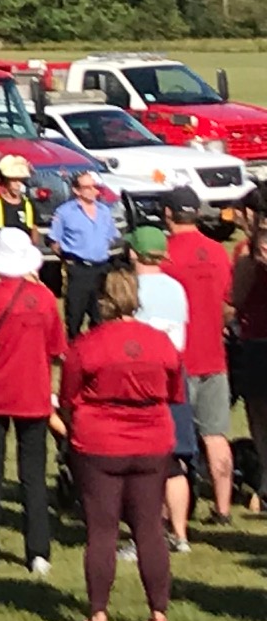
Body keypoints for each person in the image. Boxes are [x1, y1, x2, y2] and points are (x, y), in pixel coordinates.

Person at [61, 267, 184, 621]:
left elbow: (68, 396)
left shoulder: (88, 344)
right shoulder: (161, 343)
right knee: (149, 528)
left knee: (102, 530)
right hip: (152, 440)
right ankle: (159, 613)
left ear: (103, 302)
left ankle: (99, 614)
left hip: (100, 441)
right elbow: (175, 391)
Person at [0, 227, 65, 577]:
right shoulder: (44, 299)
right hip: (34, 393)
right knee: (33, 476)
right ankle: (38, 552)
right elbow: (57, 350)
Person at [165, 193, 237, 523]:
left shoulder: (166, 254)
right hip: (214, 356)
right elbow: (228, 302)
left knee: (172, 441)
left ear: (168, 213)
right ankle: (222, 508)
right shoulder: (217, 252)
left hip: (178, 359)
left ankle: (170, 513)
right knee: (216, 436)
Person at [122, 226, 193, 552]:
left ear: (133, 253)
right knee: (174, 459)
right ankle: (181, 535)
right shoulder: (176, 288)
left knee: (141, 463)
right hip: (174, 371)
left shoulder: (129, 288)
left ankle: (145, 537)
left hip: (140, 377)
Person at [49, 171, 119, 337]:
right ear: (76, 190)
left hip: (102, 269)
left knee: (100, 315)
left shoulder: (104, 211)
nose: (93, 191)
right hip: (78, 269)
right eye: (87, 187)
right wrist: (68, 261)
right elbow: (54, 241)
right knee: (75, 315)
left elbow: (111, 236)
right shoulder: (64, 212)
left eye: (94, 186)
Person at [232, 223, 267, 510]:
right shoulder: (247, 257)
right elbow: (238, 298)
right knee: (257, 412)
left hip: (258, 340)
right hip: (256, 339)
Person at [0, 155, 41, 240]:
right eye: (14, 180)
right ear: (5, 181)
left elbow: (34, 232)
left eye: (20, 180)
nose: (18, 184)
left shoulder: (28, 204)